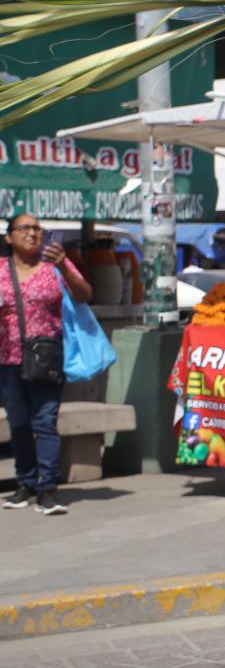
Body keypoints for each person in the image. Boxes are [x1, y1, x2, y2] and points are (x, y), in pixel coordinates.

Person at [1, 215, 92, 516]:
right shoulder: (1, 270)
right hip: (8, 359)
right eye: (24, 228)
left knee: (45, 422)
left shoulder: (54, 265)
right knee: (19, 423)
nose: (32, 233)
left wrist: (64, 265)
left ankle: (48, 488)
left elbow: (85, 295)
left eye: (37, 228)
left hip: (47, 358)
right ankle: (25, 484)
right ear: (9, 237)